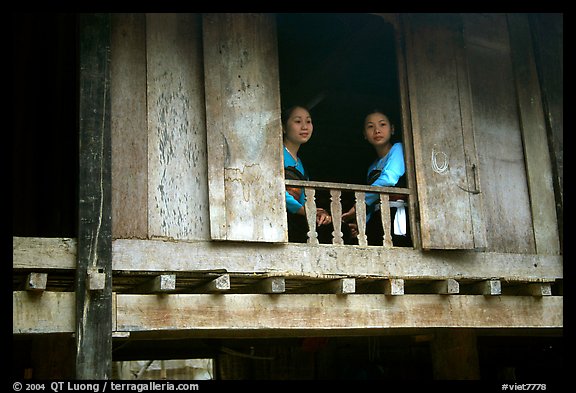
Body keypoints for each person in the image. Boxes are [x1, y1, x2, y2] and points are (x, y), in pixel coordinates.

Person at [282, 105, 351, 244]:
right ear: (283, 127)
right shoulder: (276, 154)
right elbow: (276, 192)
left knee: (340, 229)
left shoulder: (299, 162)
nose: (304, 126)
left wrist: (319, 213)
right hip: (282, 220)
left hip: (298, 216)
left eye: (308, 121)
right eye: (297, 121)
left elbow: (304, 200)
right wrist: (305, 211)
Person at [342, 109, 411, 246]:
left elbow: (389, 180)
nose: (377, 130)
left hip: (395, 214)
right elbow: (372, 203)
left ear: (392, 129)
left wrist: (359, 204)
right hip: (378, 218)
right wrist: (361, 225)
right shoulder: (372, 167)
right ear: (365, 135)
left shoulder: (398, 149)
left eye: (382, 125)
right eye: (370, 126)